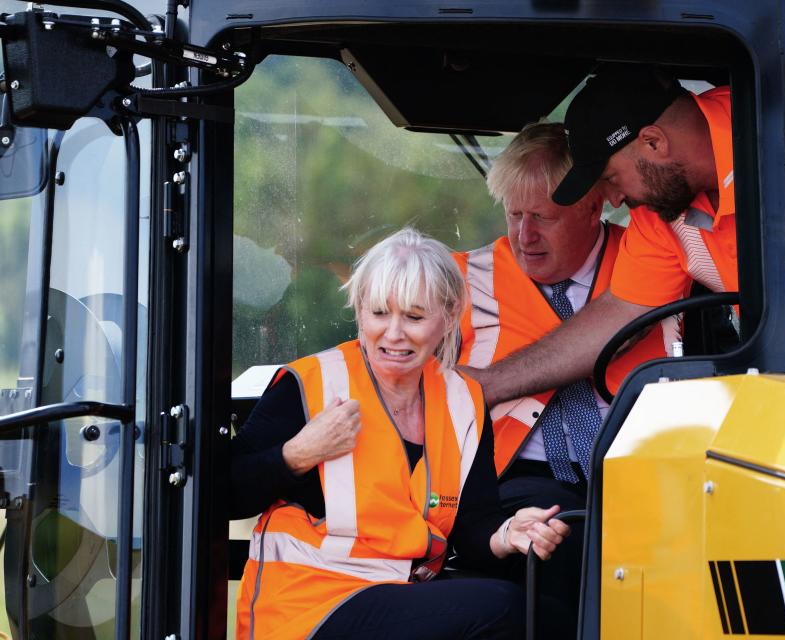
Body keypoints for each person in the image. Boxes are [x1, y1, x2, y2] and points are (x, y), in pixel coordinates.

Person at [231, 228, 571, 640]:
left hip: (399, 590)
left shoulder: (463, 401)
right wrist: (298, 454)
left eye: (413, 317)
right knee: (503, 608)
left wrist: (507, 534)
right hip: (307, 604)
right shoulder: (309, 384)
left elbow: (472, 525)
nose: (393, 333)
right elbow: (223, 493)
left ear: (448, 318)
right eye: (378, 313)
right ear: (358, 310)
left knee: (550, 614)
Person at [453, 123, 678, 639]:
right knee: (564, 547)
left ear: (592, 207)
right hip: (513, 474)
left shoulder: (657, 264)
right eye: (514, 214)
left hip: (641, 474)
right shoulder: (460, 282)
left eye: (543, 218)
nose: (524, 236)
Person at [463, 65, 737, 407]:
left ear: (653, 142)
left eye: (611, 178)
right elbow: (624, 310)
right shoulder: (661, 211)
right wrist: (488, 385)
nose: (613, 199)